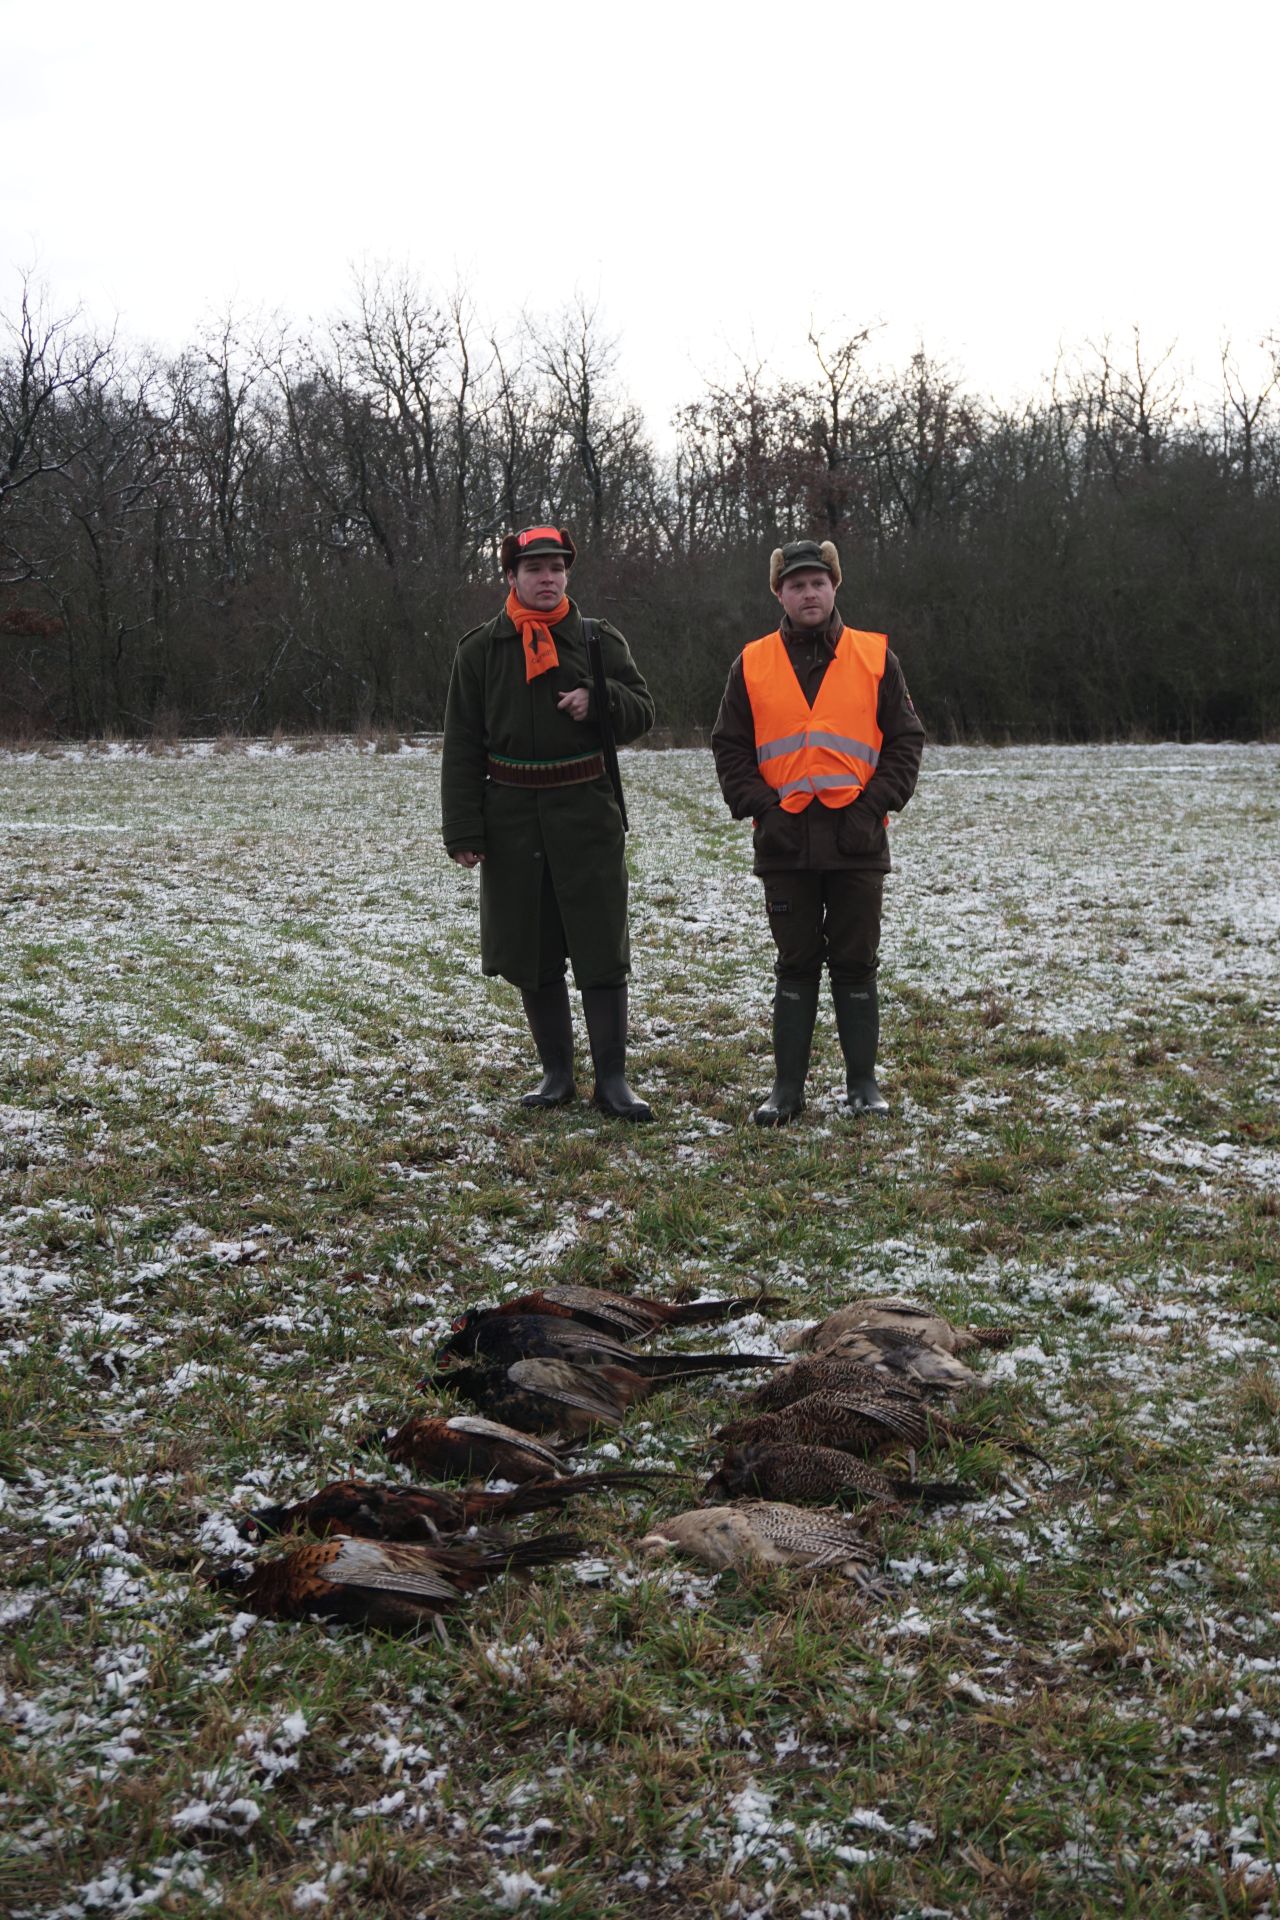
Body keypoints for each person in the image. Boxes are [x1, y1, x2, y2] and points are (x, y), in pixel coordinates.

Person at [440, 525, 656, 1120]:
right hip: (511, 819)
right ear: (511, 577)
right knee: (531, 948)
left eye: (557, 568)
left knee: (601, 946)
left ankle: (612, 1081)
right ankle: (557, 1075)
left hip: (586, 811)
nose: (548, 578)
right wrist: (464, 829)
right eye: (535, 568)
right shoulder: (480, 651)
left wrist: (600, 699)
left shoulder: (596, 640)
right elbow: (462, 744)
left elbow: (644, 711)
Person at [711, 538, 924, 1124]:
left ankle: (863, 1086)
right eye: (797, 585)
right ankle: (786, 1090)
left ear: (834, 587)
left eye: (818, 583)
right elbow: (729, 747)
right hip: (784, 843)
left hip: (858, 839)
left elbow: (906, 741)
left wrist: (871, 807)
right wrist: (765, 810)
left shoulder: (876, 657)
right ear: (779, 594)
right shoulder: (751, 662)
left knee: (856, 961)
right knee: (796, 963)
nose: (809, 593)